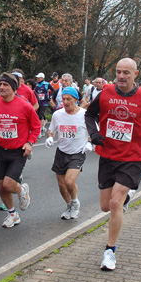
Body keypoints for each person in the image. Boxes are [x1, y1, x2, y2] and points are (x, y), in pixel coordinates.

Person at [85, 58, 141, 271]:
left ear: (135, 74)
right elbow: (90, 114)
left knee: (114, 204)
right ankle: (128, 195)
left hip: (132, 156)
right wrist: (94, 134)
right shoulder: (106, 92)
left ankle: (109, 252)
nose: (121, 76)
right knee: (106, 206)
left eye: (126, 73)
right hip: (108, 154)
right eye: (118, 72)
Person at [0, 72, 41, 228]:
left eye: (5, 84)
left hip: (18, 151)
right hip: (2, 150)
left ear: (14, 88)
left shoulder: (25, 106)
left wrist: (30, 143)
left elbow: (36, 127)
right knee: (1, 185)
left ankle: (21, 191)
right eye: (0, 84)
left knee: (8, 184)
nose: (1, 87)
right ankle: (13, 214)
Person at [45, 87, 91, 220]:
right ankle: (69, 205)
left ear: (76, 100)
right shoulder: (57, 115)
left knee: (69, 181)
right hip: (62, 152)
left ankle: (75, 203)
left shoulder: (84, 115)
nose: (65, 102)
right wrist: (49, 137)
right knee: (61, 185)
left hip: (78, 152)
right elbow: (51, 130)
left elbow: (93, 131)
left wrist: (89, 142)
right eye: (63, 99)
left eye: (68, 99)